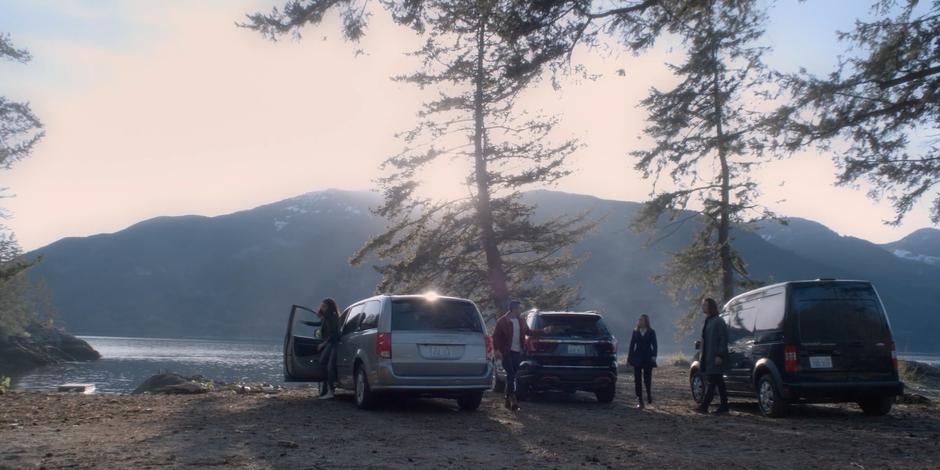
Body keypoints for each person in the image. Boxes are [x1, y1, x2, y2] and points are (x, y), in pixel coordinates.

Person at [492, 300, 530, 411]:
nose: (520, 310)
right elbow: (495, 337)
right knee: (511, 373)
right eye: (519, 308)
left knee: (512, 375)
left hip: (517, 352)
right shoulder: (502, 321)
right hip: (506, 352)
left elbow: (529, 332)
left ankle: (507, 398)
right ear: (513, 309)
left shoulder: (522, 321)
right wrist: (497, 350)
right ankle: (513, 399)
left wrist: (543, 331)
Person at [697, 297, 729, 414]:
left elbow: (723, 339)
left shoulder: (718, 321)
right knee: (719, 382)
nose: (703, 307)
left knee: (712, 382)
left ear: (711, 306)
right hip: (708, 357)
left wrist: (720, 355)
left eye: (705, 305)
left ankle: (704, 406)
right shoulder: (708, 321)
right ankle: (724, 406)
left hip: (715, 357)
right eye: (703, 305)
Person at [627, 314, 657, 409]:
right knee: (637, 379)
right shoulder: (635, 331)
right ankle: (640, 399)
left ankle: (648, 394)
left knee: (647, 379)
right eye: (639, 319)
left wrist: (654, 356)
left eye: (642, 320)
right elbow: (632, 346)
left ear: (646, 321)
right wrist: (629, 359)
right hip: (637, 357)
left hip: (648, 357)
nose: (640, 321)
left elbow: (655, 345)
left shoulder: (651, 332)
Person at [316, 298, 341, 400]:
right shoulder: (325, 318)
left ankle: (330, 391)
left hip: (333, 344)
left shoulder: (332, 318)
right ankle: (327, 389)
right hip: (329, 344)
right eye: (321, 306)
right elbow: (318, 324)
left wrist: (323, 344)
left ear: (330, 307)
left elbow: (334, 334)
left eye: (324, 306)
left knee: (330, 367)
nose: (322, 308)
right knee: (324, 363)